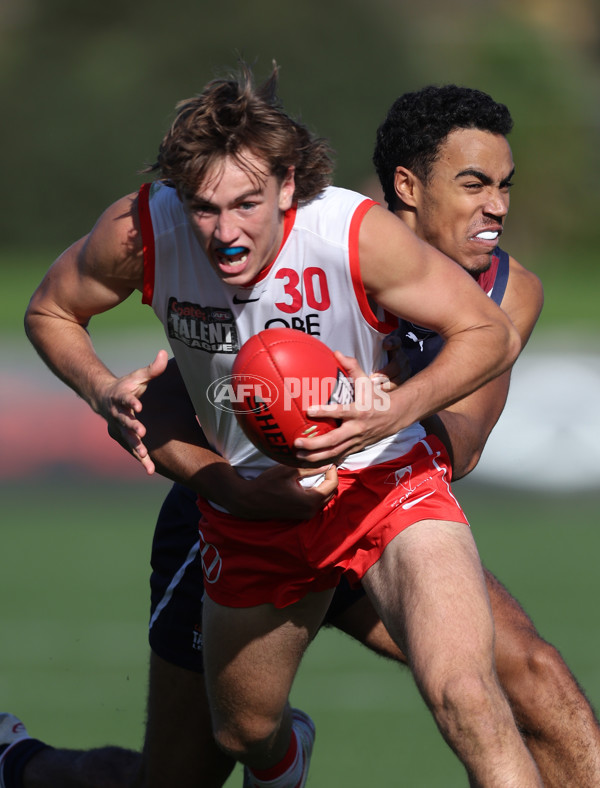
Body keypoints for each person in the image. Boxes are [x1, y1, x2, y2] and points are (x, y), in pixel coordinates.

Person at [4, 80, 599, 788]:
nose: (496, 207)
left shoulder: (491, 284)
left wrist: (383, 407)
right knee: (202, 761)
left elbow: (461, 443)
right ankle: (27, 768)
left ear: (285, 190)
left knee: (501, 684)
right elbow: (79, 332)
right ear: (406, 186)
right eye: (474, 185)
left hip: (382, 494)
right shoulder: (169, 233)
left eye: (504, 186)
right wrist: (125, 402)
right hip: (242, 501)